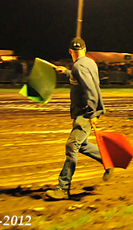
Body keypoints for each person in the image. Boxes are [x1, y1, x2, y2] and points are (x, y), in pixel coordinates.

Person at [46, 37, 112, 200]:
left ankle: (63, 187)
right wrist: (66, 72)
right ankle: (108, 160)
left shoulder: (78, 65)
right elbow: (83, 78)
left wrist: (92, 113)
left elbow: (90, 90)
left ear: (70, 52)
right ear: (85, 49)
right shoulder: (89, 62)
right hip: (86, 111)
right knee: (81, 145)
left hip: (85, 113)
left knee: (72, 145)